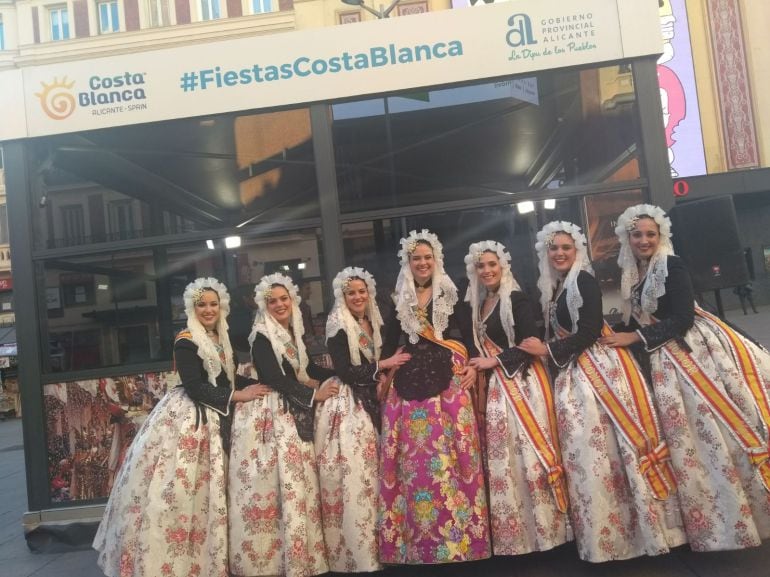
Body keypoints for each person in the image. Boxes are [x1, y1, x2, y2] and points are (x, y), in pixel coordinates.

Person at [600, 204, 770, 551]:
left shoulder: (672, 266)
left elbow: (681, 318)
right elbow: (641, 318)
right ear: (627, 239)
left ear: (660, 236)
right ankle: (709, 515)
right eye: (637, 235)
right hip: (663, 352)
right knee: (687, 437)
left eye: (650, 234)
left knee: (709, 427)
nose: (644, 240)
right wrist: (612, 330)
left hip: (690, 350)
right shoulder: (638, 272)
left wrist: (634, 338)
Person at [518, 221, 686, 562]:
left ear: (577, 251)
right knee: (592, 457)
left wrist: (546, 351)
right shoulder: (561, 285)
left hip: (595, 373)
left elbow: (591, 330)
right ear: (546, 254)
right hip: (575, 373)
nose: (560, 253)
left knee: (601, 450)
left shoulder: (584, 280)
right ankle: (608, 533)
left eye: (566, 247)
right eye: (554, 248)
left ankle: (632, 532)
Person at [93, 278, 268, 577]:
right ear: (192, 307)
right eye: (202, 304)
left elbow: (228, 379)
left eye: (214, 304)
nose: (209, 309)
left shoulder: (220, 337)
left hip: (219, 415)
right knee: (180, 492)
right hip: (191, 419)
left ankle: (214, 558)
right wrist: (240, 395)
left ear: (222, 306)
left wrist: (262, 386)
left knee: (214, 492)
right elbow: (195, 387)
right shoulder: (186, 339)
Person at [379, 229, 491, 564]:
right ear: (408, 263)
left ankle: (461, 542)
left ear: (436, 260)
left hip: (449, 382)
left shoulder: (450, 293)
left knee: (457, 456)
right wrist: (384, 371)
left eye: (428, 257)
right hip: (410, 385)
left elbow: (468, 338)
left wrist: (473, 367)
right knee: (413, 462)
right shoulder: (398, 299)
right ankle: (416, 544)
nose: (423, 263)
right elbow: (389, 340)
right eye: (417, 258)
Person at [464, 240, 571, 555]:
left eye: (492, 265)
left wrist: (493, 361)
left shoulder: (516, 298)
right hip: (498, 387)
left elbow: (531, 343)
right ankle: (517, 536)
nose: (486, 271)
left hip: (521, 383)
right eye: (481, 266)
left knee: (530, 457)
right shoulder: (482, 301)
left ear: (503, 267)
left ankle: (548, 532)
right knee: (506, 460)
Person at [228, 273, 340, 577]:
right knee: (277, 484)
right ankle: (272, 559)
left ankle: (302, 554)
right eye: (272, 300)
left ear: (292, 300)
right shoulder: (263, 334)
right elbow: (274, 378)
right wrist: (314, 394)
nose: (279, 304)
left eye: (283, 299)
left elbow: (304, 368)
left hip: (290, 407)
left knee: (297, 483)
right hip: (273, 415)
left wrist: (337, 376)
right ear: (263, 305)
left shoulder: (290, 332)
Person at [319, 267, 411, 572]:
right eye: (351, 293)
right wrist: (384, 364)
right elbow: (346, 370)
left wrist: (385, 371)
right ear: (342, 297)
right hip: (350, 407)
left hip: (377, 398)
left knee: (382, 475)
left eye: (361, 291)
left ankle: (388, 545)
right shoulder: (338, 326)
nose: (357, 297)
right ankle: (359, 553)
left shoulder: (372, 321)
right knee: (357, 477)